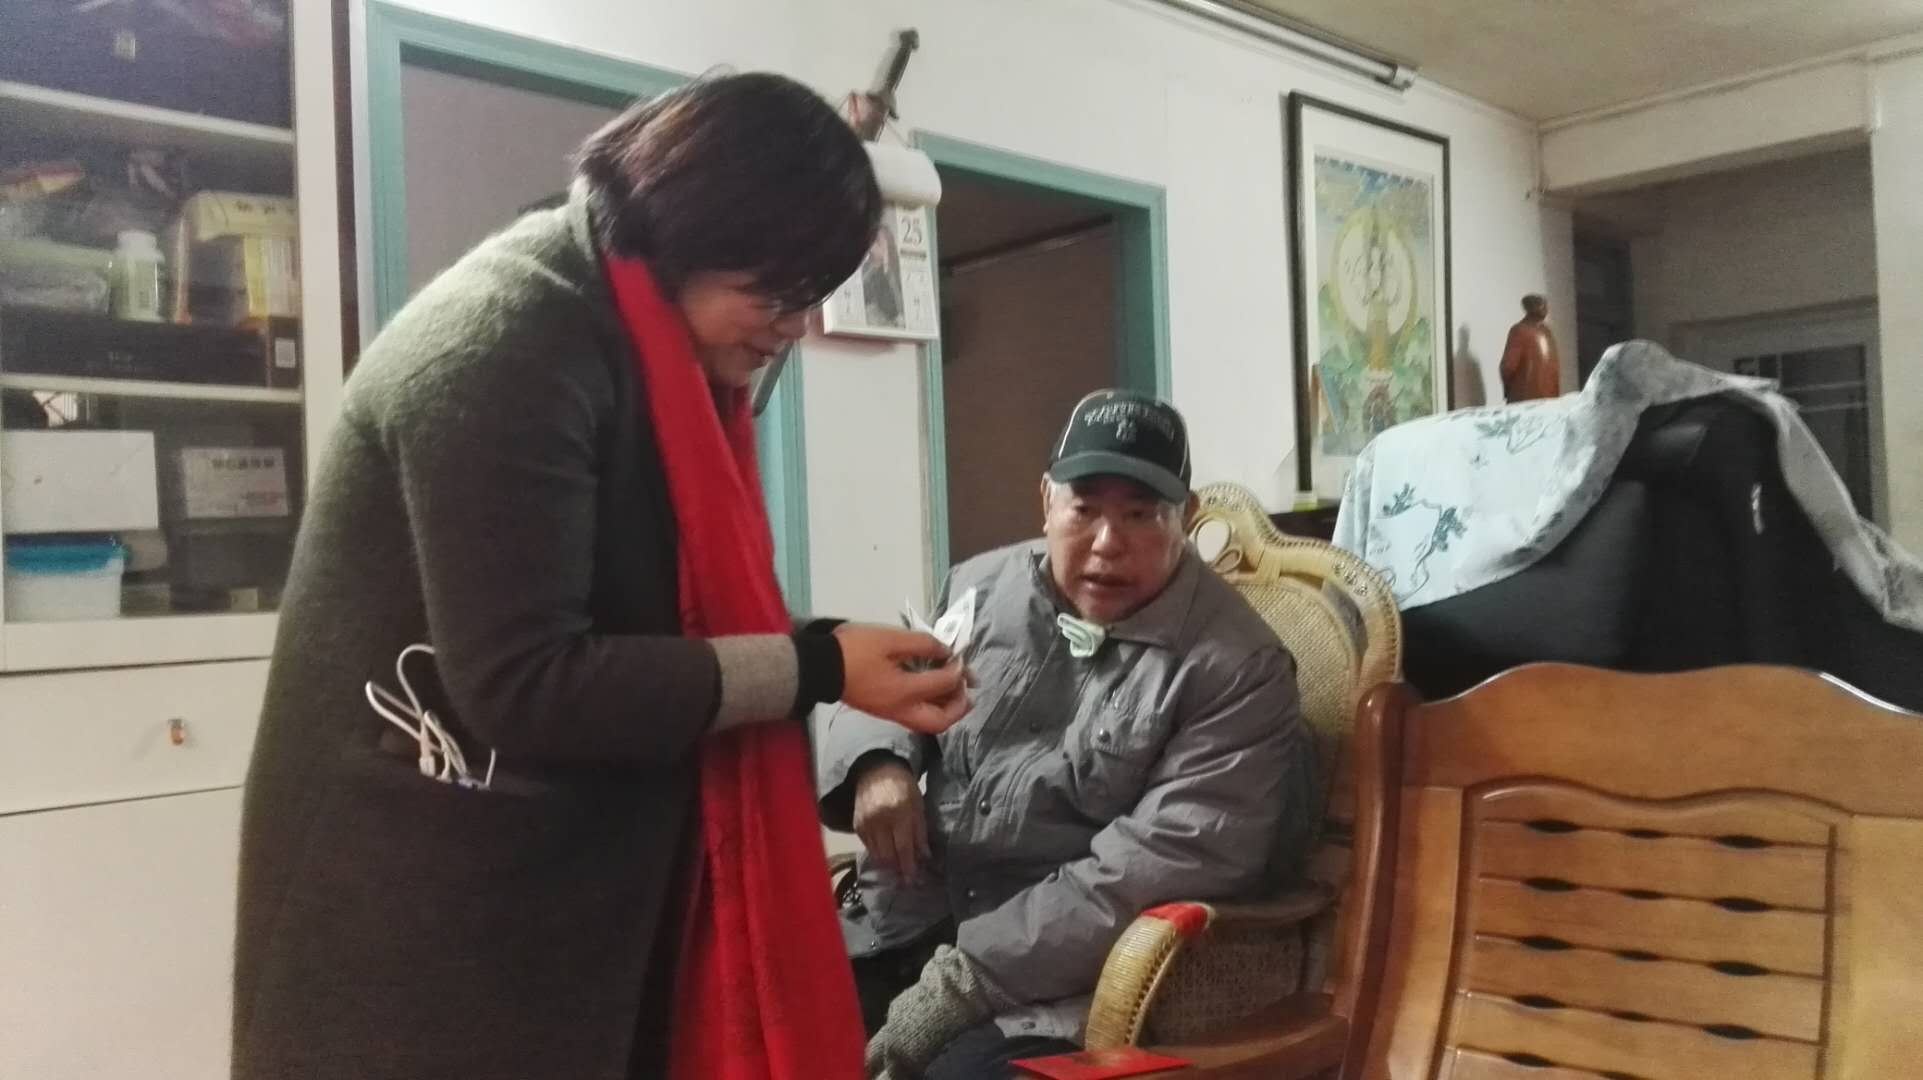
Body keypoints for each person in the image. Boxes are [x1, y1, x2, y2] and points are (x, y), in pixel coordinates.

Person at [232, 74, 969, 1080]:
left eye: (811, 297)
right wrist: (813, 667)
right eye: (777, 294)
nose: (795, 327)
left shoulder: (628, 332)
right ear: (686, 230)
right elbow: (525, 683)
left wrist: (820, 650)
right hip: (426, 918)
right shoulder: (507, 340)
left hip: (538, 889)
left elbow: (644, 608)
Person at [818, 389, 1315, 1079]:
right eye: (1084, 509)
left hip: (1055, 982)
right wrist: (879, 764)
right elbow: (886, 685)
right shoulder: (979, 585)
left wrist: (962, 984)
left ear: (1187, 517)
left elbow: (1150, 869)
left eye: (1140, 514)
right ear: (1046, 502)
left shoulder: (1239, 670)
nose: (1107, 544)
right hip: (905, 919)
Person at [1499, 293, 1563, 402]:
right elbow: (1509, 367)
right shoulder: (1546, 332)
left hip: (1526, 401)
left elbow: (1507, 367)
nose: (1546, 309)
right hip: (1547, 400)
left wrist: (1508, 389)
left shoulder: (1520, 330)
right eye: (1543, 306)